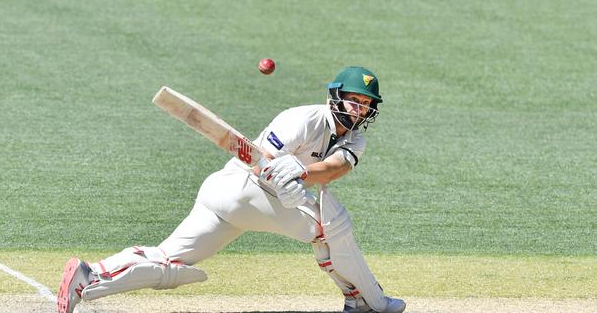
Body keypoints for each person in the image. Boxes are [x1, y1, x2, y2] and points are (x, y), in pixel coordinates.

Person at [57, 66, 406, 313]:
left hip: (232, 198)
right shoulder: (303, 118)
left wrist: (299, 174)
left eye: (365, 104)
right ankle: (363, 300)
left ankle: (89, 278)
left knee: (170, 261)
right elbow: (262, 159)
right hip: (243, 187)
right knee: (331, 227)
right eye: (353, 101)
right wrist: (280, 177)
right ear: (336, 97)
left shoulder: (356, 139)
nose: (358, 109)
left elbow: (333, 170)